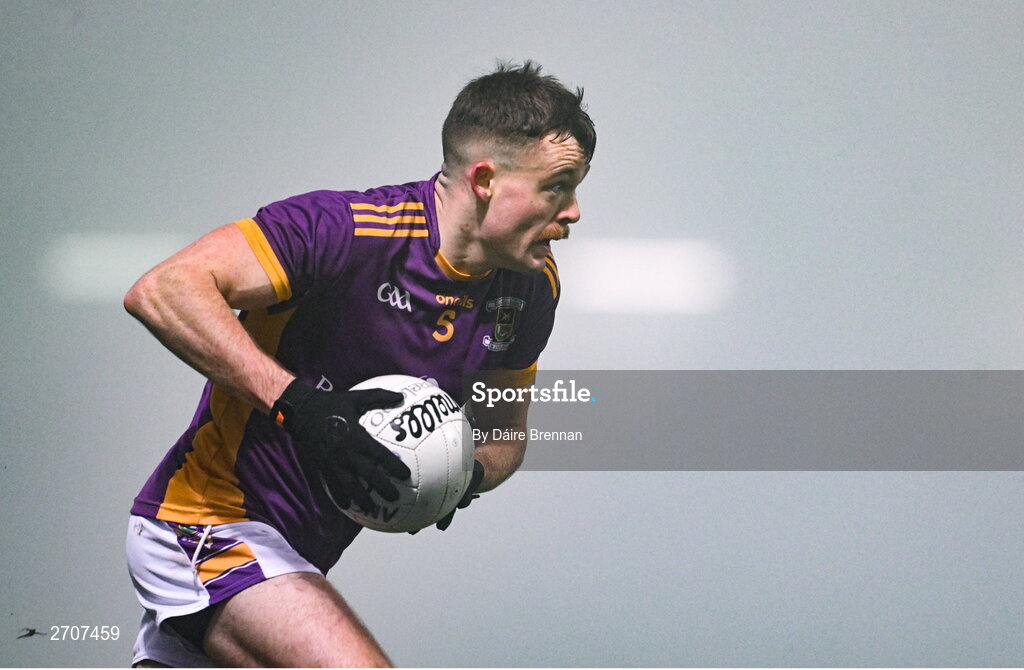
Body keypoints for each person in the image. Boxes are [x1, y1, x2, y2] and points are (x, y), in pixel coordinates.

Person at [123, 61, 595, 667]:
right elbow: (165, 288)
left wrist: (464, 478)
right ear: (485, 179)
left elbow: (505, 434)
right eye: (557, 185)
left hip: (295, 555)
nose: (574, 211)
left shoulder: (529, 289)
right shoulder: (347, 231)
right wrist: (303, 407)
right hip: (206, 523)